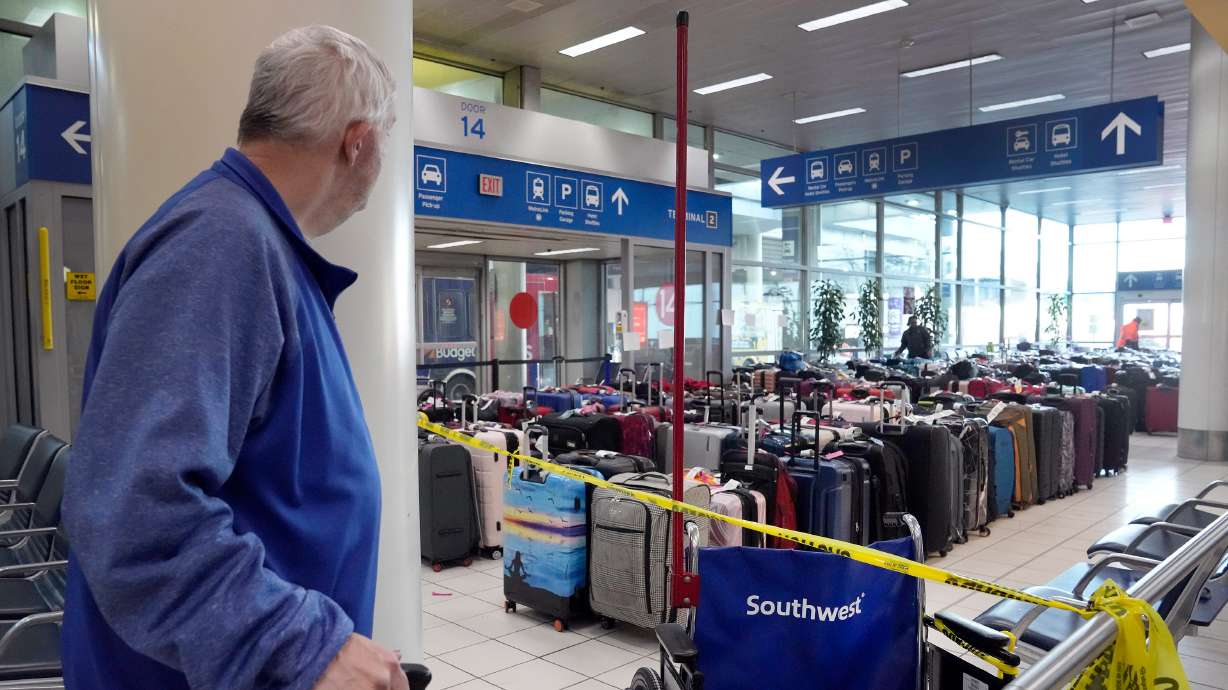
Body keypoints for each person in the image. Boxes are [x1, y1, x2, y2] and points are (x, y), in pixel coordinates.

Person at [62, 26, 409, 690]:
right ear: (356, 140)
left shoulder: (254, 243)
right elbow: (132, 514)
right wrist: (301, 644)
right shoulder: (221, 244)